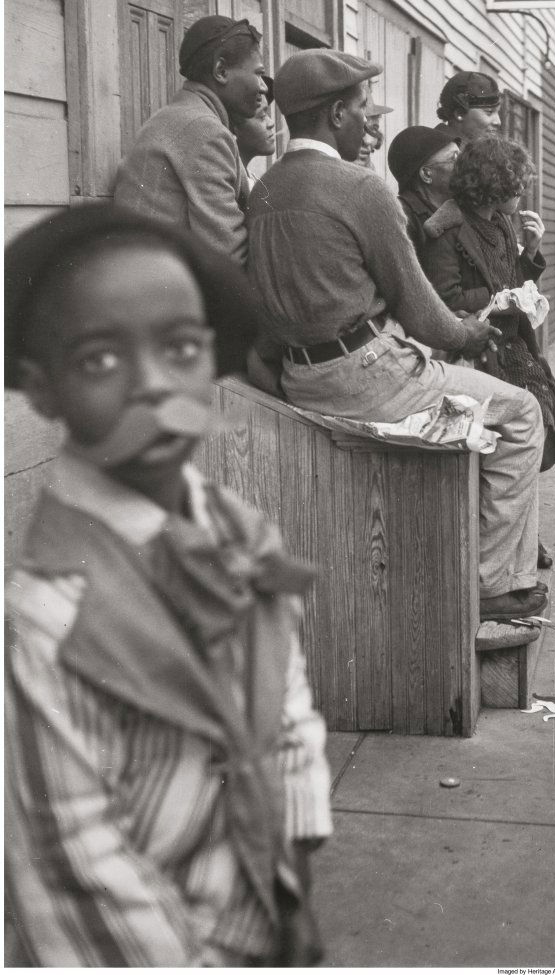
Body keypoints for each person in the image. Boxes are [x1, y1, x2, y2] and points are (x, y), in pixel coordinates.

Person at [3, 204, 332, 966]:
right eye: (100, 361)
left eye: (180, 348)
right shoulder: (44, 623)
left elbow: (283, 712)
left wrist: (291, 891)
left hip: (255, 912)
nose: (154, 386)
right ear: (43, 390)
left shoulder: (238, 532)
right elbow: (75, 865)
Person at [246, 50, 547, 622]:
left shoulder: (266, 189)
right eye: (362, 108)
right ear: (336, 115)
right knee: (523, 412)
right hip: (369, 374)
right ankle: (495, 584)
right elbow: (420, 308)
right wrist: (467, 331)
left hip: (300, 375)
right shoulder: (359, 187)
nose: (370, 123)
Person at [422, 136, 555, 566]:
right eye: (514, 186)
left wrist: (530, 252)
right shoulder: (446, 228)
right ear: (491, 186)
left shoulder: (503, 223)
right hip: (475, 351)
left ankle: (524, 534)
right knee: (499, 450)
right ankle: (507, 544)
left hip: (512, 348)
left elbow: (514, 277)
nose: (521, 194)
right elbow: (442, 296)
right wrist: (500, 295)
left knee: (534, 435)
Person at [113, 15, 268, 266]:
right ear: (221, 71)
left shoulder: (185, 116)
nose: (263, 87)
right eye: (258, 74)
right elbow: (228, 256)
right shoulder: (204, 130)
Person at [387, 126, 460, 263]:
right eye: (454, 159)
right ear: (426, 174)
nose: (465, 165)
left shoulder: (457, 205)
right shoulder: (402, 218)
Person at [232, 74, 276, 192]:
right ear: (233, 127)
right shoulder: (230, 185)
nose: (271, 123)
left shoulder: (251, 182)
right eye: (262, 116)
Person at [435, 71, 502, 146]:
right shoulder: (445, 151)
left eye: (498, 112)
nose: (498, 122)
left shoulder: (469, 150)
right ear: (460, 114)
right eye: (489, 112)